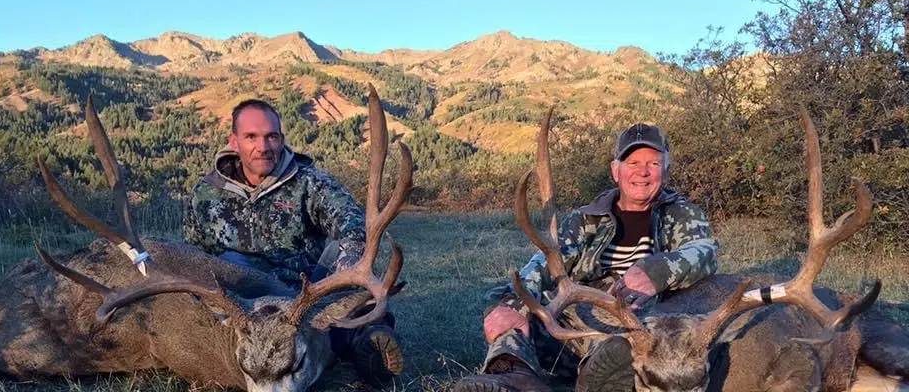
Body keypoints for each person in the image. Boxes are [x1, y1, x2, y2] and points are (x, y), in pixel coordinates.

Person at [455, 123, 720, 392]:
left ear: (666, 169)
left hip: (643, 329)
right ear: (616, 171)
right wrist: (513, 303)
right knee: (517, 312)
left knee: (624, 350)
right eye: (633, 162)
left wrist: (656, 272)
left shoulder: (682, 214)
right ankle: (512, 375)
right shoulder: (585, 219)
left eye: (653, 163)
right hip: (575, 323)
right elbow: (545, 262)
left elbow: (703, 251)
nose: (643, 172)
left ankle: (600, 374)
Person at [183, 98, 403, 384]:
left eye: (271, 136)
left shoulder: (311, 183)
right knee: (226, 266)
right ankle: (345, 343)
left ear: (281, 139)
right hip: (246, 308)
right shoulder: (205, 195)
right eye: (251, 137)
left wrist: (348, 267)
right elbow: (194, 254)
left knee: (348, 258)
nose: (263, 147)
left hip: (306, 295)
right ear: (234, 142)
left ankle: (368, 337)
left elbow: (352, 224)